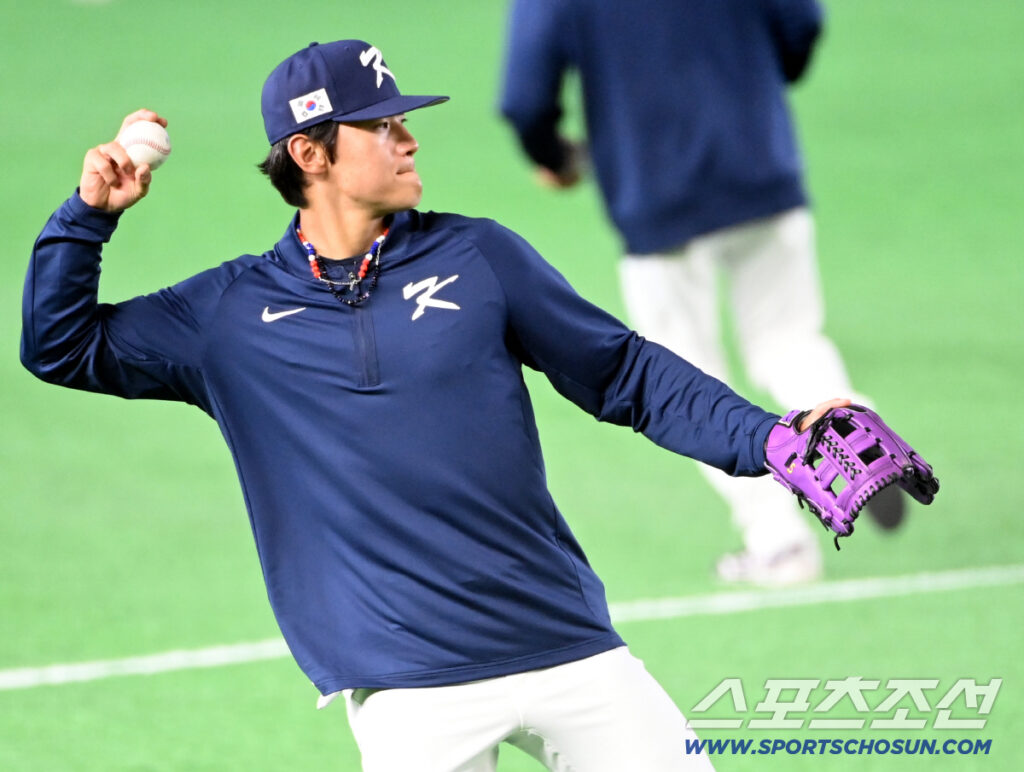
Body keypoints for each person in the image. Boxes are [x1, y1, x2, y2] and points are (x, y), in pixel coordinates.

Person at [22, 39, 844, 772]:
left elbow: (625, 372)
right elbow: (59, 346)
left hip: (564, 643)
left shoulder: (479, 256)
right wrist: (86, 220)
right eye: (381, 126)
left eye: (404, 122)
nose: (408, 139)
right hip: (408, 688)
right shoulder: (231, 316)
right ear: (309, 152)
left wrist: (767, 439)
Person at [499, 0, 903, 588]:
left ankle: (779, 543)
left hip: (655, 193)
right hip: (761, 164)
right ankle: (858, 437)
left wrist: (555, 156)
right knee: (788, 341)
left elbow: (525, 95)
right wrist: (755, 76)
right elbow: (802, 19)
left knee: (683, 381)